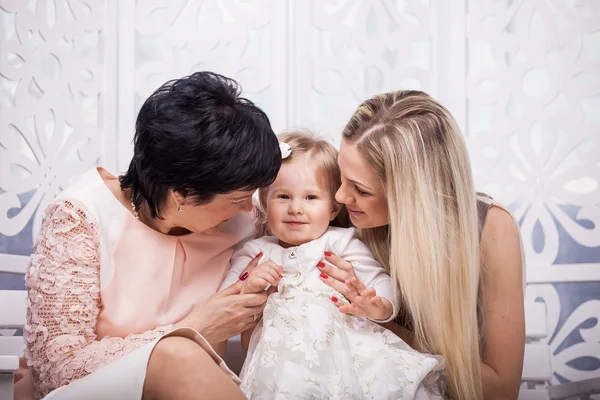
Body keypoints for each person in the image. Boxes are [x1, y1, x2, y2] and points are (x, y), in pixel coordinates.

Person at [17, 71, 282, 400]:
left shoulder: (246, 221)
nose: (249, 207)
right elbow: (56, 371)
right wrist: (195, 328)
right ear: (182, 194)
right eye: (236, 198)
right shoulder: (79, 218)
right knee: (179, 356)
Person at [318, 90, 526, 399]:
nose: (339, 197)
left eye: (359, 189)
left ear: (412, 196)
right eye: (342, 178)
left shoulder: (490, 229)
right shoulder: (339, 219)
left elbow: (501, 390)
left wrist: (381, 323)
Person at [220, 131, 445, 399]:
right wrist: (251, 282)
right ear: (265, 204)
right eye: (282, 197)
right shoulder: (256, 252)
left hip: (347, 353)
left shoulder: (340, 242)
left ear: (334, 209)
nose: (295, 208)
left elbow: (379, 280)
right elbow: (227, 296)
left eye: (311, 198)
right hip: (283, 364)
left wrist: (380, 305)